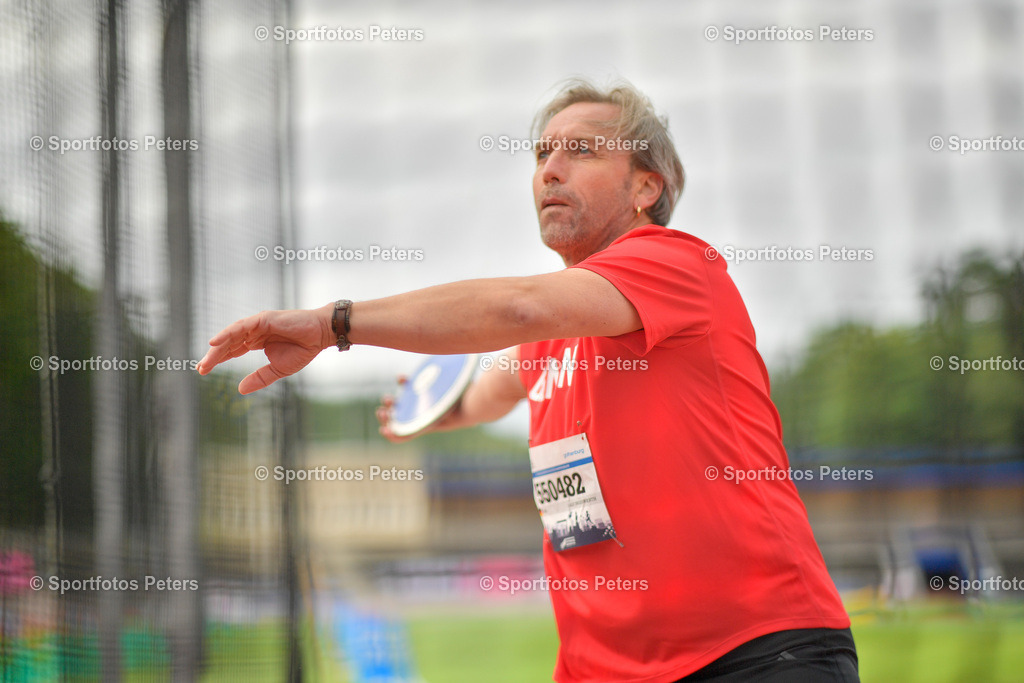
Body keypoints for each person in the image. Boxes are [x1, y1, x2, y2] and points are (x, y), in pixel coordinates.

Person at [198, 78, 859, 682]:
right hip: (602, 669)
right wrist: (432, 408)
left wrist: (331, 323)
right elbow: (488, 387)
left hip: (755, 651)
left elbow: (515, 307)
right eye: (543, 153)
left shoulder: (675, 264)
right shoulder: (550, 338)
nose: (550, 169)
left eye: (581, 150)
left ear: (645, 188)